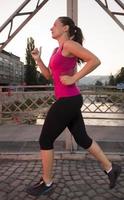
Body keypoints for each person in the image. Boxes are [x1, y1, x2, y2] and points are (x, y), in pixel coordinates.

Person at [26, 16, 121, 196]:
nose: (51, 28)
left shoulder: (69, 45)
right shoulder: (57, 49)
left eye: (55, 25)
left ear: (66, 28)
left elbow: (95, 60)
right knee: (83, 139)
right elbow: (49, 76)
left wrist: (73, 78)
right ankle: (111, 168)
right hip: (70, 99)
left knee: (45, 140)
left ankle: (47, 183)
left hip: (68, 100)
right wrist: (38, 60)